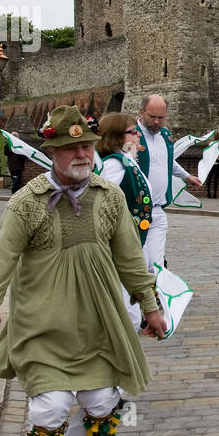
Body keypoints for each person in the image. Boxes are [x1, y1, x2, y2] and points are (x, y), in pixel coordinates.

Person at [0, 106, 166, 436]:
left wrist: (151, 307)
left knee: (101, 403)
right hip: (42, 328)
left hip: (99, 326)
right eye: (70, 147)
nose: (81, 154)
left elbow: (132, 261)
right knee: (51, 408)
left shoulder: (109, 198)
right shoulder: (27, 203)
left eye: (86, 146)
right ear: (51, 152)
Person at [96, 113, 154, 330]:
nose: (138, 135)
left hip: (134, 241)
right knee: (125, 309)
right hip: (119, 246)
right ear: (117, 137)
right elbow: (98, 203)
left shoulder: (127, 161)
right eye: (132, 132)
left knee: (130, 303)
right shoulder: (114, 165)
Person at [135, 95, 203, 270]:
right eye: (152, 117)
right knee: (140, 263)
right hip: (135, 210)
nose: (157, 122)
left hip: (158, 210)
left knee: (156, 265)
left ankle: (157, 295)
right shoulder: (131, 135)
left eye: (161, 117)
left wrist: (187, 176)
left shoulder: (164, 135)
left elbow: (168, 161)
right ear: (141, 113)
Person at [204, 131, 219, 198]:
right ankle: (215, 194)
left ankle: (208, 193)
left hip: (211, 163)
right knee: (216, 178)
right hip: (218, 163)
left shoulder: (210, 143)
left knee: (209, 178)